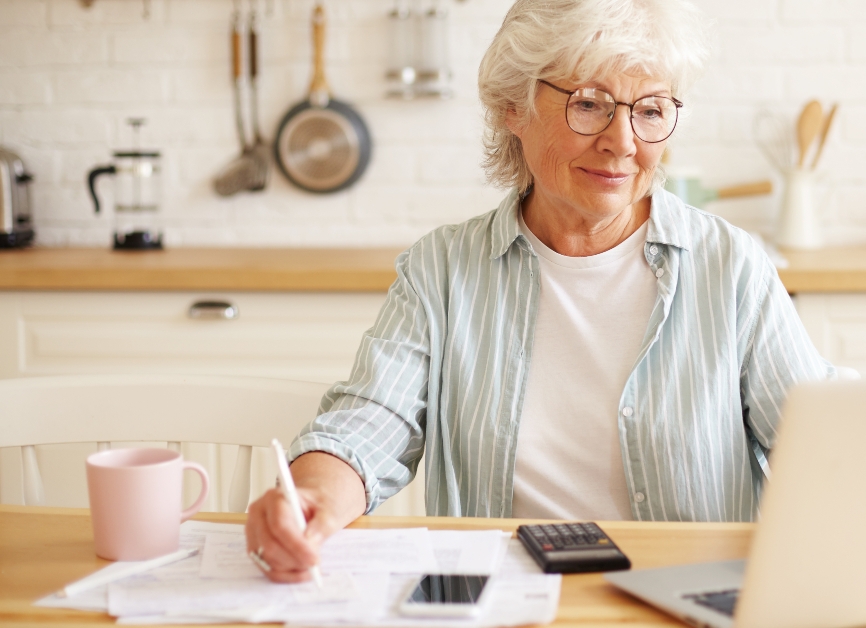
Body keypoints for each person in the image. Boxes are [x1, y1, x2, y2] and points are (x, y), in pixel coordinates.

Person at [245, 0, 833, 583]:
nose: (623, 141)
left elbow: (824, 442)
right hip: (501, 600)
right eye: (589, 104)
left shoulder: (732, 268)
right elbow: (370, 422)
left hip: (692, 602)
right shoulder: (442, 271)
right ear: (513, 107)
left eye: (650, 110)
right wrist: (311, 499)